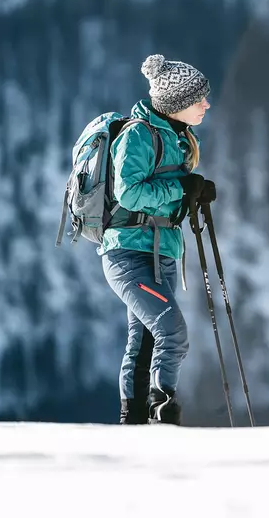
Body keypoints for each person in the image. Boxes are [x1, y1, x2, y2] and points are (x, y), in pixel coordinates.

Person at [102, 54, 216, 425]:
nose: (206, 104)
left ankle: (132, 419)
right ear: (177, 103)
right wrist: (181, 187)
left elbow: (166, 193)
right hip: (128, 254)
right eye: (198, 98)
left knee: (144, 339)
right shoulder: (138, 134)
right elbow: (129, 194)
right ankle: (161, 407)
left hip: (161, 252)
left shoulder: (178, 137)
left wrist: (193, 193)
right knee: (172, 329)